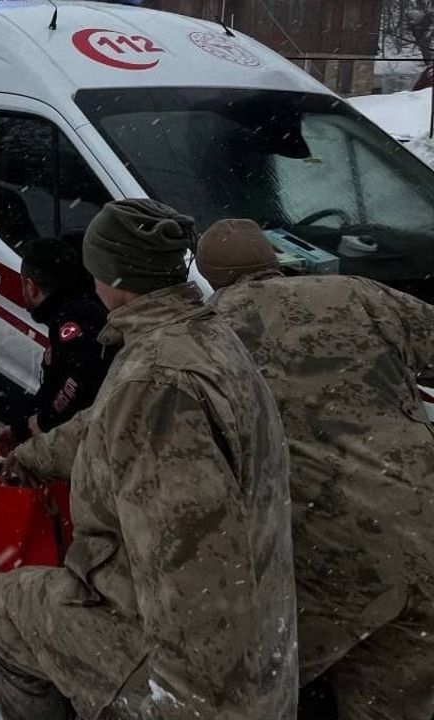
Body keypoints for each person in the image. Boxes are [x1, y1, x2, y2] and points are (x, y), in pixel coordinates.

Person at [0, 200, 298, 720]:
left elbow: (194, 578)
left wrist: (177, 704)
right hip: (250, 638)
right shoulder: (194, 335)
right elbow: (101, 426)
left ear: (111, 275)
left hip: (198, 682)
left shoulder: (158, 387)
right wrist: (29, 457)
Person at [196, 218, 434, 720]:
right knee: (398, 694)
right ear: (273, 259)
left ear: (210, 276)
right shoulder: (358, 294)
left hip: (329, 560)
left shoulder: (207, 336)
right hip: (422, 517)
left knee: (267, 691)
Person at [10, 238, 112, 441]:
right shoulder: (80, 305)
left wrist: (43, 422)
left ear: (31, 287)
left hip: (90, 441)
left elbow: (80, 381)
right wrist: (20, 428)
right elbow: (54, 383)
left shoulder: (73, 318)